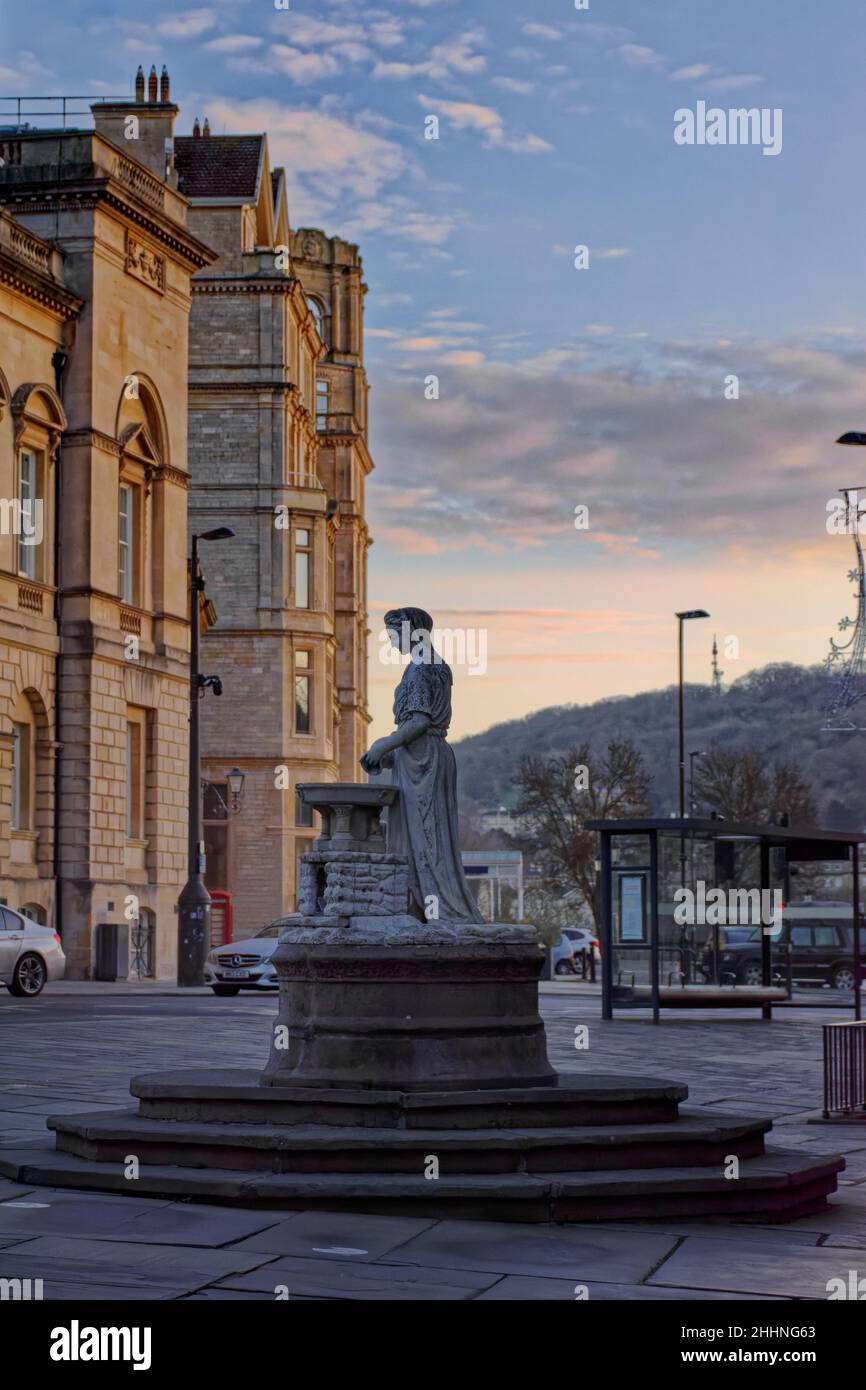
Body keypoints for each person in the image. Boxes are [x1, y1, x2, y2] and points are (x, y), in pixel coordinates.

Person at [360, 606, 484, 924]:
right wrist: (391, 752)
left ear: (412, 631)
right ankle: (418, 908)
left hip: (423, 762)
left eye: (394, 635)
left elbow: (417, 722)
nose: (392, 642)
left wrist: (383, 744)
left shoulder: (423, 667)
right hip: (418, 757)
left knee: (424, 836)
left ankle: (436, 909)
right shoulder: (429, 665)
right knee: (417, 837)